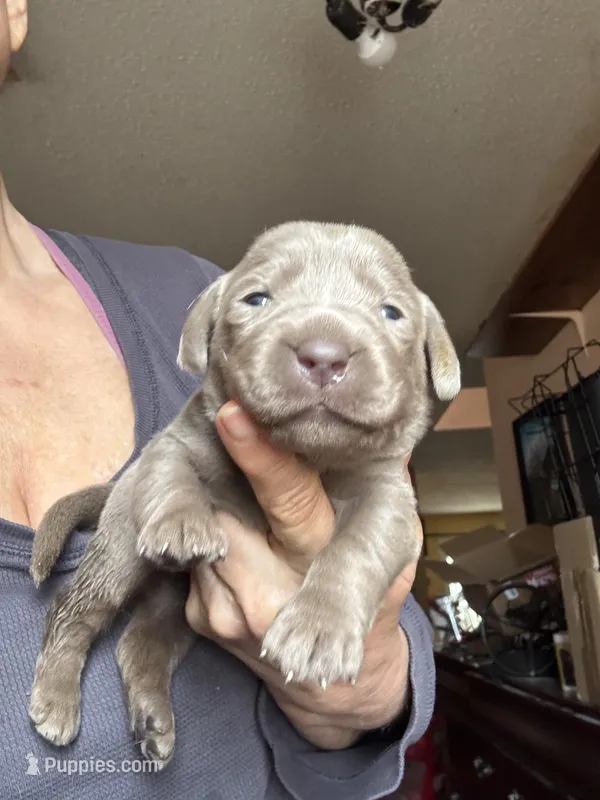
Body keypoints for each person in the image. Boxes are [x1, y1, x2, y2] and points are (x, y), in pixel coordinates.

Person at [0, 3, 435, 798]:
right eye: (262, 302)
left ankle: (145, 680)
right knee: (118, 579)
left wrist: (365, 689)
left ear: (13, 9)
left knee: (163, 619)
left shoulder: (191, 294)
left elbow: (376, 691)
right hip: (144, 523)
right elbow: (170, 463)